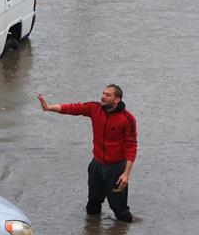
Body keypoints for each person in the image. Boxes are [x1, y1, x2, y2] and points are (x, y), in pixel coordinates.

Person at [37, 84, 137, 222]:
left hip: (116, 169)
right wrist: (49, 108)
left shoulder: (127, 119)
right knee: (92, 206)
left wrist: (126, 174)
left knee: (120, 210)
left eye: (108, 95)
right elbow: (74, 108)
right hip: (96, 166)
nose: (103, 96)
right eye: (103, 93)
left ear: (117, 99)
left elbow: (132, 146)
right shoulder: (94, 108)